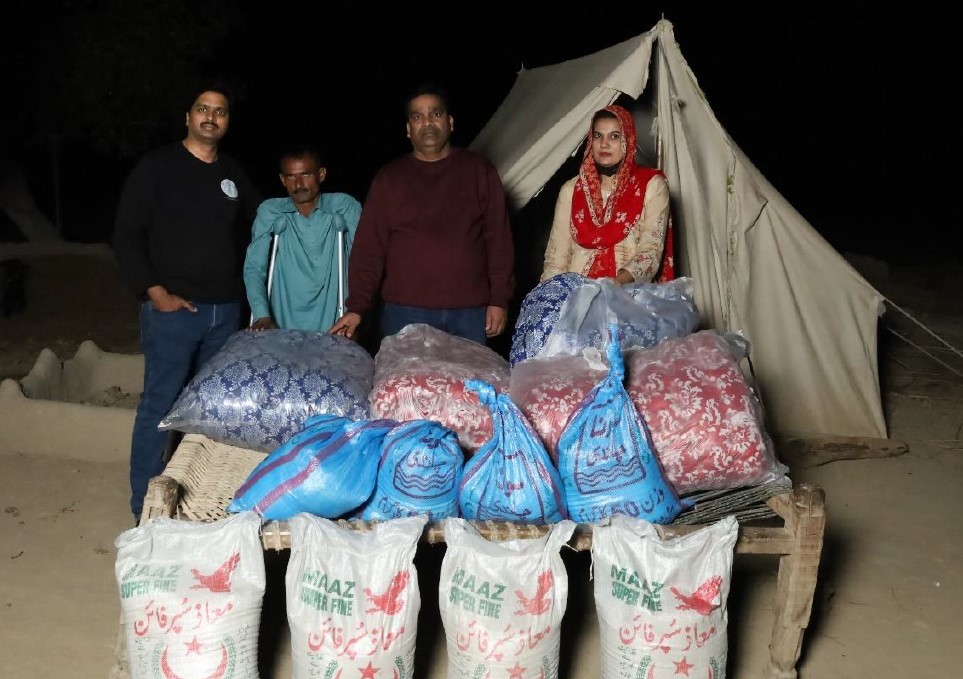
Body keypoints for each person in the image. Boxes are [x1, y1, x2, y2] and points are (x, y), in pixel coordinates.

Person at [112, 82, 261, 521]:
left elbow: (264, 221)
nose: (211, 117)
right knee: (161, 407)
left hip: (226, 313)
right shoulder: (157, 167)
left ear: (227, 121)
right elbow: (126, 233)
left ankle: (198, 499)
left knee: (212, 412)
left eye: (220, 111)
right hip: (175, 314)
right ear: (188, 117)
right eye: (203, 109)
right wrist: (156, 293)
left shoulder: (233, 174)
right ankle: (145, 506)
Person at [328, 83, 514, 346]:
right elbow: (369, 250)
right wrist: (357, 307)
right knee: (407, 388)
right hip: (404, 314)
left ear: (450, 122)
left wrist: (499, 299)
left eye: (435, 114)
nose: (427, 122)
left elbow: (498, 241)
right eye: (417, 116)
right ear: (408, 129)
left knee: (469, 387)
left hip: (469, 314)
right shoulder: (389, 179)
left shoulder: (479, 172)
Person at [540, 104, 674, 285]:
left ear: (628, 140)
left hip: (629, 296)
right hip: (577, 296)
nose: (604, 144)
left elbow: (650, 252)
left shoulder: (651, 186)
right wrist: (549, 297)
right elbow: (556, 257)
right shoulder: (571, 190)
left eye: (615, 136)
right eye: (598, 136)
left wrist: (616, 284)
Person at [243, 144, 361, 331]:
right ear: (282, 179)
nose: (298, 185)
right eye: (291, 176)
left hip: (335, 319)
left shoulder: (344, 206)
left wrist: (356, 312)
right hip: (282, 320)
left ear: (321, 175)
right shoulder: (271, 211)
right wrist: (261, 315)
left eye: (306, 175)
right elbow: (254, 269)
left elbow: (363, 264)